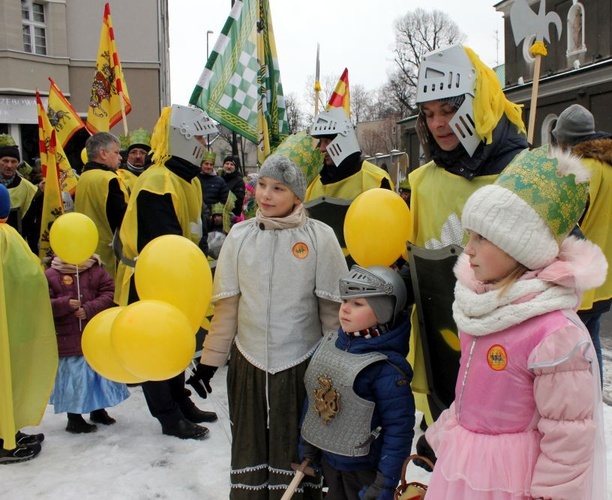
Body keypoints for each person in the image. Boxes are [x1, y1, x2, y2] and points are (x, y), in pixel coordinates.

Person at [417, 145, 607, 499]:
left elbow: (570, 432)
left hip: (510, 477)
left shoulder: (553, 335)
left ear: (520, 247)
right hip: (464, 465)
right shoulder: (481, 307)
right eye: (470, 236)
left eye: (482, 238)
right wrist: (445, 432)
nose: (468, 249)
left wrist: (553, 494)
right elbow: (472, 388)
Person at [187, 154, 349, 498]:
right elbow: (228, 308)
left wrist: (335, 370)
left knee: (294, 447)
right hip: (248, 365)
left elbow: (331, 314)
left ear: (297, 196)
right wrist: (208, 362)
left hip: (300, 365)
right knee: (248, 443)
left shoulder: (320, 237)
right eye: (262, 185)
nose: (266, 195)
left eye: (278, 188)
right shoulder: (240, 237)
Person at [408, 43, 529, 421]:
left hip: (505, 359)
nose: (438, 124)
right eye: (428, 114)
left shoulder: (523, 173)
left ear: (478, 105)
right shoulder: (421, 183)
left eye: (448, 110)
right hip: (442, 352)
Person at [114, 105, 219, 440]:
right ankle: (168, 416)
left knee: (177, 342)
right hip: (152, 277)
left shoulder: (187, 179)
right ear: (184, 137)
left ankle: (180, 401)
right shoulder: (158, 180)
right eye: (201, 136)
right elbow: (162, 239)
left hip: (176, 276)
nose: (206, 144)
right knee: (155, 346)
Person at [299, 265, 414, 500]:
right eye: (345, 301)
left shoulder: (386, 369)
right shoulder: (330, 346)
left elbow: (398, 430)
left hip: (366, 472)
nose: (345, 309)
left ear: (383, 311)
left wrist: (385, 482)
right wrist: (309, 442)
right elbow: (315, 398)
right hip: (332, 462)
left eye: (358, 304)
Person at [552, 104, 612, 381]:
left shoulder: (578, 171)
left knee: (572, 351)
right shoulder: (610, 170)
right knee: (592, 341)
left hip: (580, 276)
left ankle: (583, 405)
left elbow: (563, 224)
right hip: (604, 275)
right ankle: (595, 400)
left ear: (565, 140)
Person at [0, 184, 57, 464]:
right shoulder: (4, 237)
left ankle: (9, 429)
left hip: (12, 321)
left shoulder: (6, 234)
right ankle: (3, 441)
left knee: (10, 377)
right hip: (8, 321)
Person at [45, 252, 129, 434]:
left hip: (96, 335)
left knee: (96, 375)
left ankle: (98, 409)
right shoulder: (51, 274)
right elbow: (44, 303)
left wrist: (89, 308)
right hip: (68, 337)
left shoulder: (96, 270)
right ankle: (74, 418)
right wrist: (66, 304)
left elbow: (110, 292)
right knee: (74, 378)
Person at [305, 107, 393, 202]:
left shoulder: (375, 179)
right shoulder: (313, 183)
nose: (322, 148)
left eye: (327, 141)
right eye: (320, 142)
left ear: (343, 140)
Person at [75, 132, 129, 279]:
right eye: (116, 152)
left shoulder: (84, 177)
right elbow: (123, 217)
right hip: (107, 254)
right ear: (103, 153)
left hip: (86, 251)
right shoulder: (109, 179)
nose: (120, 157)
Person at [0, 134, 43, 253]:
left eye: (14, 161)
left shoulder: (27, 188)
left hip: (18, 249)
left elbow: (32, 227)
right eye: (5, 161)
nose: (9, 165)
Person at [117, 128, 152, 192]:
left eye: (143, 153)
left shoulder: (153, 178)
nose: (138, 156)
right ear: (127, 156)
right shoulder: (118, 177)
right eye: (133, 152)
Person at [219, 155, 246, 219]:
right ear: (223, 165)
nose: (229, 166)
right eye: (227, 163)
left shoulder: (239, 181)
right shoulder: (219, 178)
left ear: (235, 167)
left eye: (232, 164)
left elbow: (238, 201)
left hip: (231, 216)